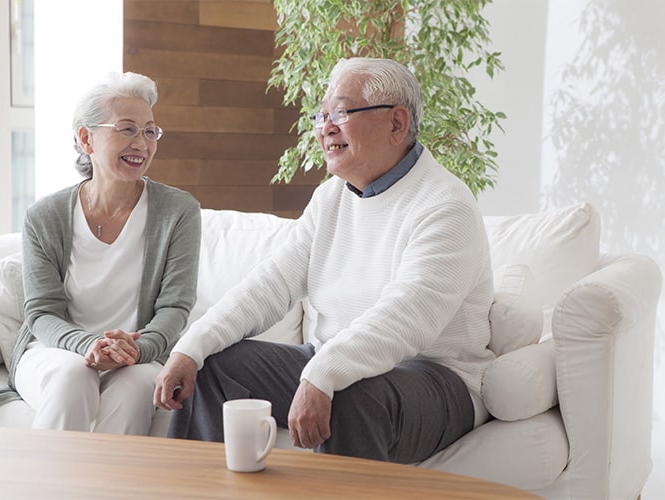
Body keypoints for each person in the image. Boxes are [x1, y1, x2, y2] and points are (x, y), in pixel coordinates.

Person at [154, 57, 495, 463]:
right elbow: (271, 283)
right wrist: (190, 349)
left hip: (435, 379)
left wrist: (323, 374)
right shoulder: (331, 197)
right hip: (335, 361)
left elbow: (408, 315)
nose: (325, 128)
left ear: (397, 123)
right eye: (322, 115)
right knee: (214, 365)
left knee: (350, 392)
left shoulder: (445, 205)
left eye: (342, 113)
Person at [0, 72, 201, 435]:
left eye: (150, 131)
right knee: (73, 376)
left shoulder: (179, 211)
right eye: (127, 129)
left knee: (135, 387)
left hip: (138, 356)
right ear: (85, 138)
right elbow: (42, 313)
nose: (142, 143)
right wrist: (88, 345)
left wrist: (137, 350)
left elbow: (175, 307)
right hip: (55, 350)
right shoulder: (43, 216)